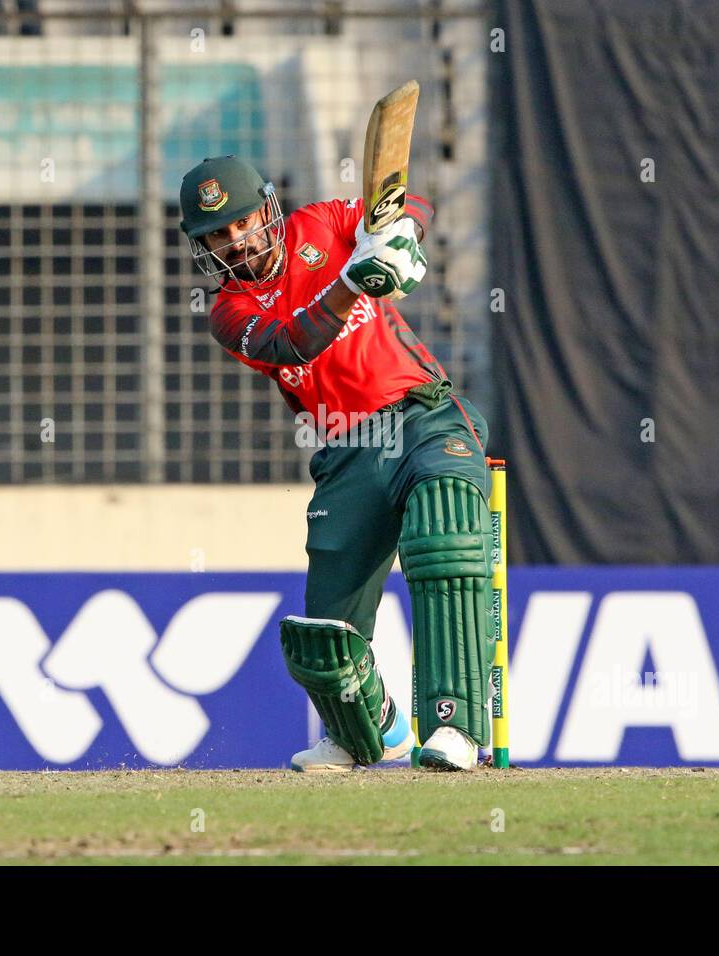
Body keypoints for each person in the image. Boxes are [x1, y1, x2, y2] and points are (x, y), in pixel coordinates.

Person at [179, 155, 496, 772]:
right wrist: (352, 281)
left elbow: (414, 207)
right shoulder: (228, 314)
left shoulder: (321, 224)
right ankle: (363, 733)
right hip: (345, 449)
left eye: (242, 222)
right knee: (324, 637)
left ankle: (454, 726)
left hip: (423, 415)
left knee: (446, 531)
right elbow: (294, 341)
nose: (236, 240)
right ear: (204, 246)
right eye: (218, 234)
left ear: (267, 211)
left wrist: (400, 235)